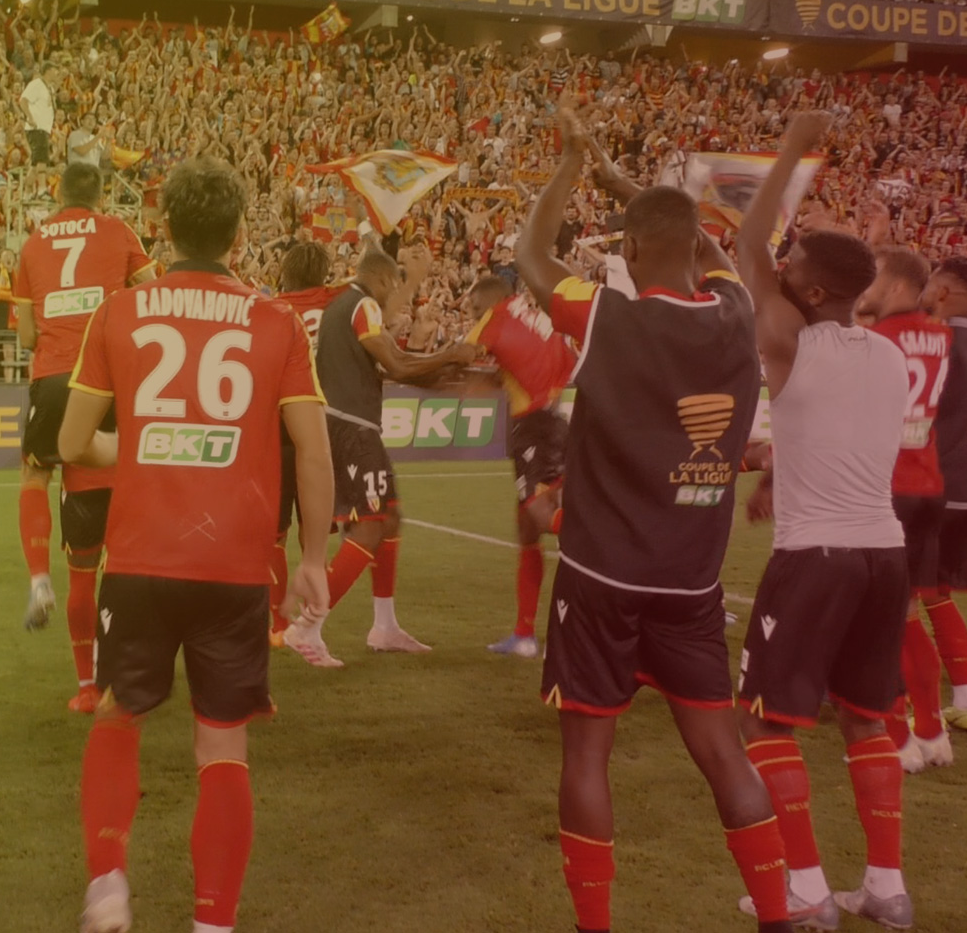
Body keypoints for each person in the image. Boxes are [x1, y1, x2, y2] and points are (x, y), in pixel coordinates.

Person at [517, 104, 794, 933]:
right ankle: (777, 917)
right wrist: (631, 192)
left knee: (587, 755)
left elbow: (531, 255)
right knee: (723, 753)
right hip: (691, 584)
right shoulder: (737, 313)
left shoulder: (610, 315)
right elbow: (707, 249)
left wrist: (575, 165)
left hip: (601, 576)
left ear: (629, 252)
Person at [58, 157, 333, 933]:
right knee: (223, 747)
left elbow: (73, 442)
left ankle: (108, 886)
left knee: (118, 715)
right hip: (234, 565)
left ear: (164, 230)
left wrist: (141, 449)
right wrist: (313, 559)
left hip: (141, 557)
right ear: (240, 235)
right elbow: (312, 450)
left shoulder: (119, 311)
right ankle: (213, 923)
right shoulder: (276, 321)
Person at [736, 113, 915, 930]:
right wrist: (778, 466)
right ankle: (886, 887)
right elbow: (842, 434)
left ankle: (806, 889)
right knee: (865, 717)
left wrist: (789, 152)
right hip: (884, 553)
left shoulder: (790, 343)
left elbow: (747, 243)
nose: (778, 270)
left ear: (810, 293)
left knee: (764, 720)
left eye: (792, 267)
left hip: (815, 555)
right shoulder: (886, 354)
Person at [279, 241, 475, 668]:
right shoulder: (361, 304)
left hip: (345, 424)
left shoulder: (340, 308)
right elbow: (399, 364)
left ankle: (385, 627)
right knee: (369, 527)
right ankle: (307, 626)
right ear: (384, 279)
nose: (391, 300)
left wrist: (444, 371)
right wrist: (451, 354)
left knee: (390, 517)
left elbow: (390, 367)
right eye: (393, 285)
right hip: (351, 427)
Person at [11, 164, 155, 713]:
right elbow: (152, 293)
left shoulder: (32, 244)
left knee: (36, 472)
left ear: (58, 194)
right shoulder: (118, 231)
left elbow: (27, 334)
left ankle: (39, 580)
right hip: (107, 377)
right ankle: (134, 667)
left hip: (52, 376)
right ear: (99, 197)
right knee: (118, 483)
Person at [854, 246, 955, 775]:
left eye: (872, 278)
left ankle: (896, 738)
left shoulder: (874, 341)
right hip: (926, 484)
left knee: (876, 622)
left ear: (895, 287)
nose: (864, 287)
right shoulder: (940, 335)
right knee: (907, 614)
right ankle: (933, 731)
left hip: (884, 488)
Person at [462, 275, 575, 659]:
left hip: (534, 426)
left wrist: (414, 371)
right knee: (526, 527)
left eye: (475, 308)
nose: (473, 315)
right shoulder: (532, 315)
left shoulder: (496, 316)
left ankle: (608, 541)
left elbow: (459, 355)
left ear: (490, 300)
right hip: (555, 419)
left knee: (539, 512)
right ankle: (524, 634)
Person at [922, 257, 967, 732]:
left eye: (929, 284)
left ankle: (913, 712)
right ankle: (965, 701)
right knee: (936, 595)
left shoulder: (940, 340)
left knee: (897, 600)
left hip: (932, 487)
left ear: (944, 292)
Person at [268, 240, 344, 647]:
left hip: (279, 428)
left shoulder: (273, 308)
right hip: (323, 424)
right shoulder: (337, 302)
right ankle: (311, 623)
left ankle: (278, 626)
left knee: (274, 534)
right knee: (314, 535)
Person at [21, 65, 59, 166]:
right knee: (41, 163)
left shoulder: (50, 88)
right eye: (55, 70)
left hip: (44, 129)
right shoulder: (36, 84)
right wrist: (30, 117)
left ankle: (29, 178)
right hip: (37, 128)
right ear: (48, 71)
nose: (57, 73)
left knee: (36, 165)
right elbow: (23, 101)